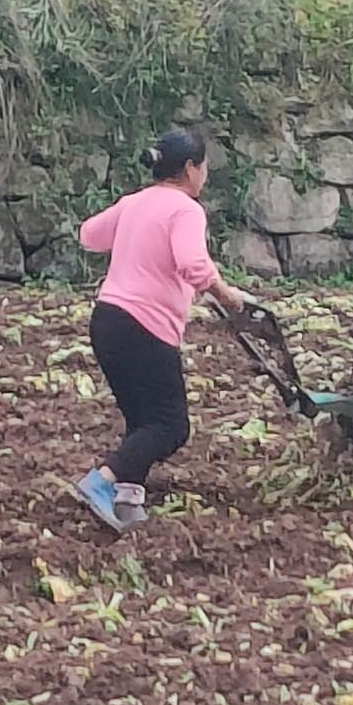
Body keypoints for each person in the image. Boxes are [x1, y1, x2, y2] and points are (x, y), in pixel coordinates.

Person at [75, 128, 248, 531]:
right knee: (171, 426)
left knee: (142, 420)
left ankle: (128, 502)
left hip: (107, 321)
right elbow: (193, 264)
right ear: (190, 168)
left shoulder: (136, 202)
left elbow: (89, 235)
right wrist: (228, 296)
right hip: (145, 328)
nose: (204, 174)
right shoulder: (186, 209)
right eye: (203, 166)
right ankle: (101, 481)